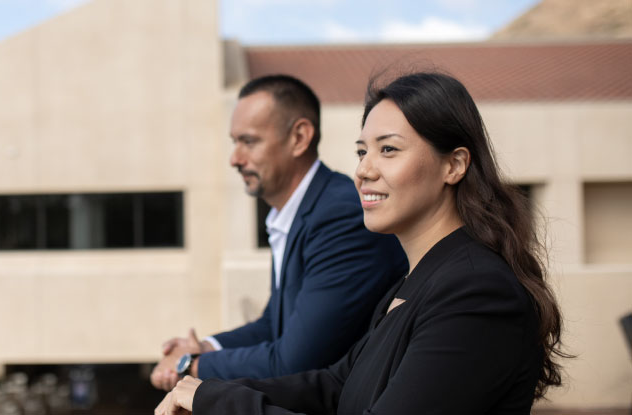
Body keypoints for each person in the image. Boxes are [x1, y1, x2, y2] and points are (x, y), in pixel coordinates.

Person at [155, 71, 567, 414]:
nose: (363, 171)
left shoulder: (477, 291)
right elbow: (335, 385)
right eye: (361, 151)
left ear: (454, 165)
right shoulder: (413, 283)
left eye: (388, 150)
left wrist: (217, 398)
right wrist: (200, 390)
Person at [149, 75, 407, 390]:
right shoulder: (295, 214)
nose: (235, 159)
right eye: (234, 142)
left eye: (249, 141)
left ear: (299, 137)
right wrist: (205, 347)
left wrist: (189, 365)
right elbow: (274, 324)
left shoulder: (340, 215)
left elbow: (294, 361)